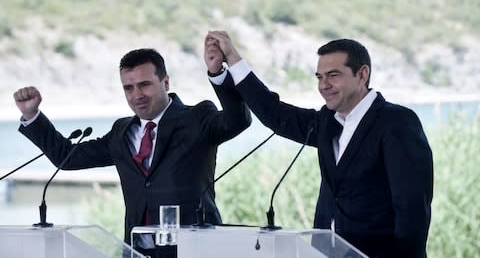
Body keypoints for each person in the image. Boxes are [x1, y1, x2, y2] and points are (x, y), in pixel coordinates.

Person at [205, 31, 433, 258]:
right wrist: (231, 60)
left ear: (362, 74)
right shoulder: (325, 122)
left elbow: (412, 211)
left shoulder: (397, 122)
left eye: (333, 75)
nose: (324, 85)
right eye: (319, 77)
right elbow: (274, 113)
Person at [14, 46, 251, 258]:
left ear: (166, 83)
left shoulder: (197, 117)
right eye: (128, 88)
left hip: (194, 251)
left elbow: (238, 120)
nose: (136, 95)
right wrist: (32, 116)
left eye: (144, 85)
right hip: (135, 253)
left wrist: (217, 74)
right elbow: (67, 157)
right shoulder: (121, 131)